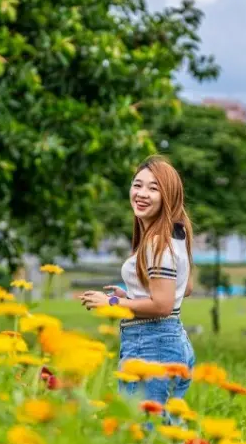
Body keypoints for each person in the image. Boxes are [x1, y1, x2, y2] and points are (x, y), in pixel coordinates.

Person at [80, 155, 196, 405]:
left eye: (154, 188)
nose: (142, 193)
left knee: (140, 434)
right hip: (172, 342)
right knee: (162, 433)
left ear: (169, 197)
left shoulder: (157, 243)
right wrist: (132, 295)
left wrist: (110, 303)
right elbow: (184, 288)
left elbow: (163, 304)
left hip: (152, 347)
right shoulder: (175, 235)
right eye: (138, 185)